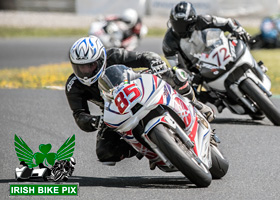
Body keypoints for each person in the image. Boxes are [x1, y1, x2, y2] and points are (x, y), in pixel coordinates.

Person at [66, 35, 214, 166]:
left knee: (170, 75)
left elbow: (141, 57)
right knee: (105, 153)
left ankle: (194, 104)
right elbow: (79, 115)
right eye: (80, 67)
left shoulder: (114, 55)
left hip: (138, 87)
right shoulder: (74, 86)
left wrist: (154, 61)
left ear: (101, 59)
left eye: (90, 65)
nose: (85, 72)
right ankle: (147, 147)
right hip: (114, 110)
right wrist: (94, 121)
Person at [162, 1, 251, 103]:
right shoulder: (169, 42)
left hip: (215, 50)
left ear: (193, 20)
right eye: (178, 24)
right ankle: (218, 102)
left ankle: (254, 66)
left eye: (185, 24)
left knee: (241, 40)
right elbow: (177, 66)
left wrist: (237, 29)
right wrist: (189, 76)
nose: (181, 29)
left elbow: (226, 23)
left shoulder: (203, 20)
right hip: (197, 69)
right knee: (191, 93)